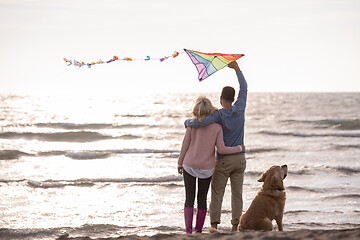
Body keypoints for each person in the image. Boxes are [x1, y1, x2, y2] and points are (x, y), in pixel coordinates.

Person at [184, 61, 247, 232]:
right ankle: (235, 227)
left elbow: (200, 121)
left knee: (217, 194)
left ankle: (214, 226)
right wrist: (237, 69)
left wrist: (187, 122)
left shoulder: (218, 115)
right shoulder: (240, 107)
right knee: (237, 194)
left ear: (220, 99)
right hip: (240, 159)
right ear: (234, 99)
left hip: (224, 159)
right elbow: (244, 86)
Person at [178, 96, 245, 234]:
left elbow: (184, 147)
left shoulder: (191, 125)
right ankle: (198, 231)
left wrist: (180, 163)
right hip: (206, 169)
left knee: (189, 198)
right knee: (201, 199)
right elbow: (222, 149)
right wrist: (239, 148)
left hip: (189, 165)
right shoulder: (217, 127)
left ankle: (188, 232)